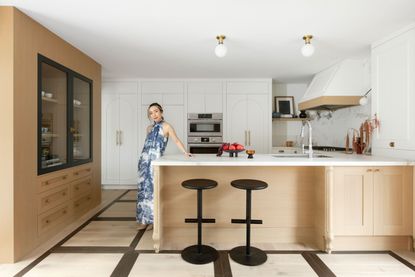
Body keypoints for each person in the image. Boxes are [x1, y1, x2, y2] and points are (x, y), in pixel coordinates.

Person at [137, 102, 191, 229]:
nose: (153, 114)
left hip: (156, 162)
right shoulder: (149, 128)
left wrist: (185, 152)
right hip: (144, 161)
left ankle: (154, 219)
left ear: (161, 112)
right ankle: (144, 220)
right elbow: (147, 145)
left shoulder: (167, 126)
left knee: (153, 191)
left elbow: (176, 140)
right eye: (151, 113)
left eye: (156, 111)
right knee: (143, 191)